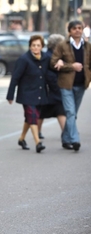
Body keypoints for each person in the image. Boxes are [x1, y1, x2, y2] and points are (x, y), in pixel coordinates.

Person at [50, 20, 91, 151]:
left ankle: (66, 138)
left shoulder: (87, 46)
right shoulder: (62, 45)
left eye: (80, 28)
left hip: (81, 84)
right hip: (66, 85)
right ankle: (75, 139)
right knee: (70, 112)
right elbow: (53, 62)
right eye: (75, 28)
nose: (78, 30)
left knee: (73, 114)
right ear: (70, 31)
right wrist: (71, 66)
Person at [6, 35, 49, 153]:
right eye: (33, 45)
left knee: (29, 118)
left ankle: (21, 139)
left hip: (40, 93)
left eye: (38, 45)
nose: (36, 48)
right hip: (27, 94)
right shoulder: (24, 59)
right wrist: (10, 95)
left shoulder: (45, 58)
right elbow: (15, 78)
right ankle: (38, 142)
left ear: (42, 46)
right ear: (30, 46)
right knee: (33, 117)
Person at [38, 34, 66, 142]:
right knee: (60, 110)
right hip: (52, 88)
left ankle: (38, 132)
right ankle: (66, 133)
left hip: (47, 89)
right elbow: (50, 73)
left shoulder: (46, 55)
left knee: (42, 112)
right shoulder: (52, 57)